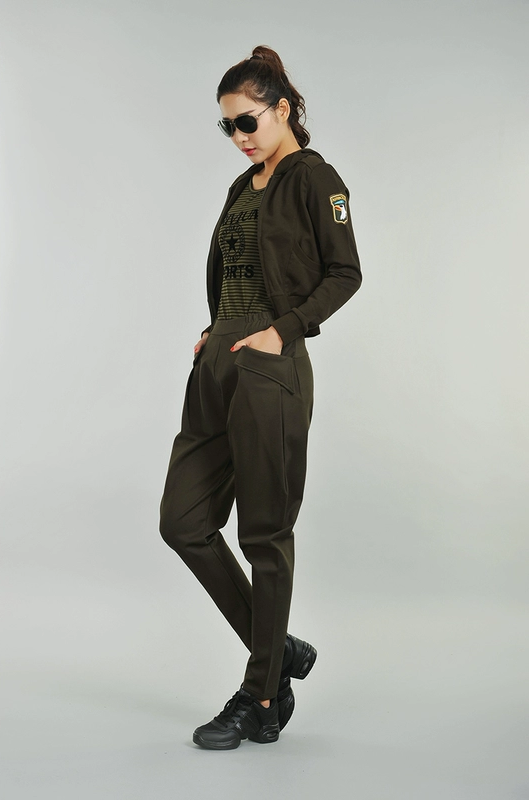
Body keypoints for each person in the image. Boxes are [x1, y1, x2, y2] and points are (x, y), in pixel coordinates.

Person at [159, 45, 362, 750]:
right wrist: (214, 328)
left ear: (282, 109)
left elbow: (345, 273)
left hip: (270, 368)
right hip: (219, 361)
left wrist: (284, 330)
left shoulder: (316, 178)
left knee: (264, 535)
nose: (239, 136)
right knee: (183, 521)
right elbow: (236, 267)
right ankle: (278, 649)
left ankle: (263, 695)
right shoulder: (243, 185)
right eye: (228, 126)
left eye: (247, 121)